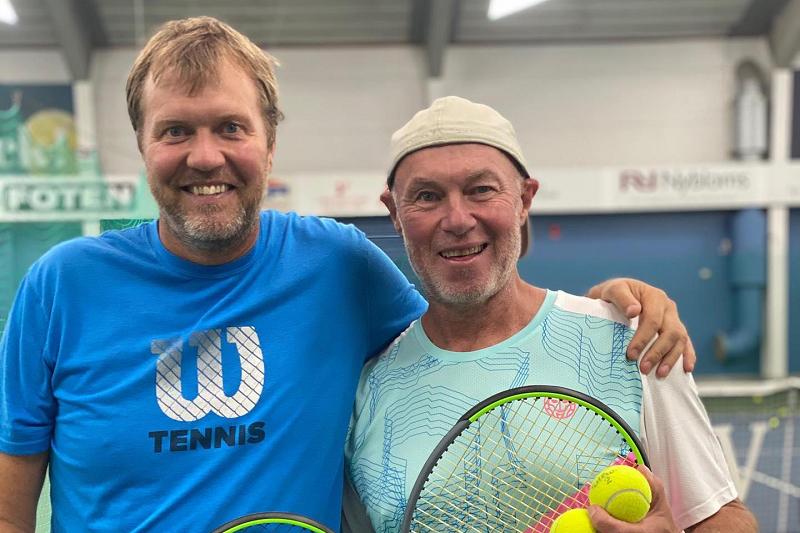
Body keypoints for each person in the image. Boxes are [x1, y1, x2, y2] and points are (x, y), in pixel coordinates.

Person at [0, 18, 693, 533]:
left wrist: (613, 303)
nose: (205, 156)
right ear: (143, 145)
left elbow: (464, 320)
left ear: (270, 143)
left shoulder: (335, 263)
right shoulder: (61, 286)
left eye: (231, 128)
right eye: (175, 130)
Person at [344, 96, 758, 532]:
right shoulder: (364, 393)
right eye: (427, 197)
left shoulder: (633, 343)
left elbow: (723, 517)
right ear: (394, 212)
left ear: (524, 199)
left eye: (481, 189)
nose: (458, 219)